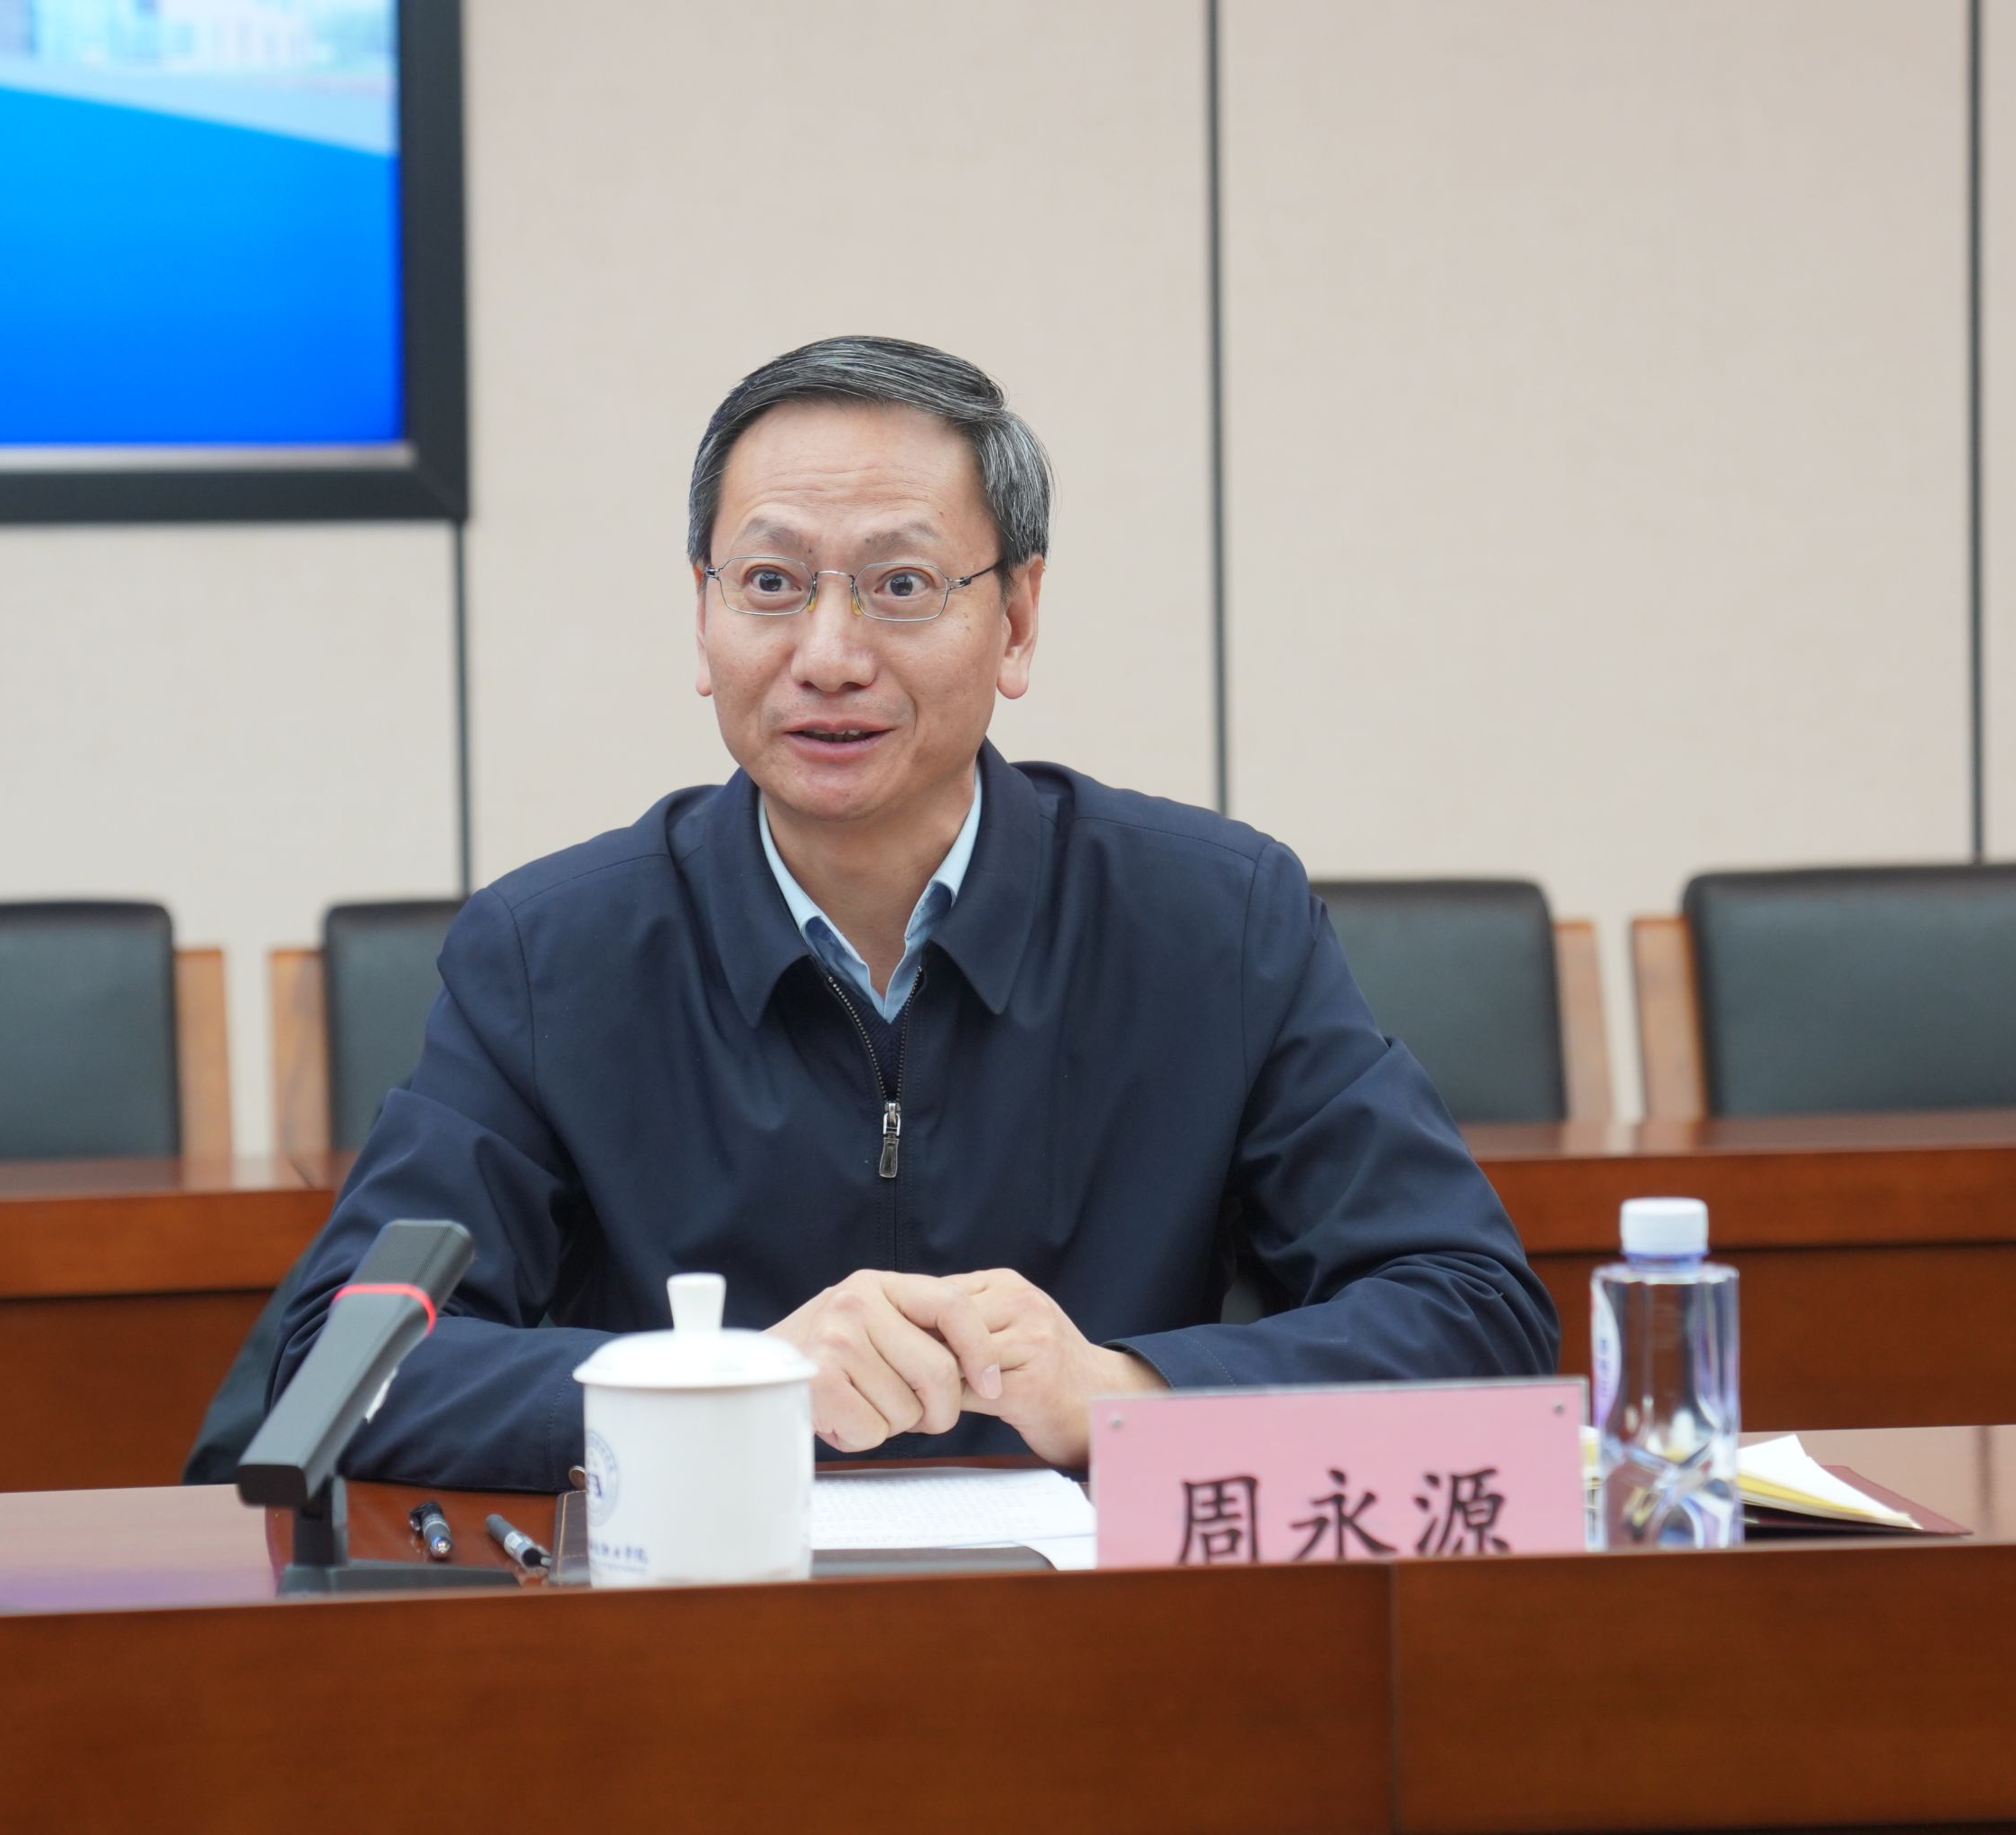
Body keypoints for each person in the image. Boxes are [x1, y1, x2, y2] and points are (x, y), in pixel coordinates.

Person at [272, 335, 1557, 1491]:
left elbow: (1472, 1309)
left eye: (901, 586)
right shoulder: (552, 956)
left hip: (1107, 1635)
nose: (829, 656)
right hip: (704, 1626)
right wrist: (727, 1388)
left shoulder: (1214, 924)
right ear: (703, 618)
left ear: (1019, 620)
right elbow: (341, 1360)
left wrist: (1118, 1393)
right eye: (770, 582)